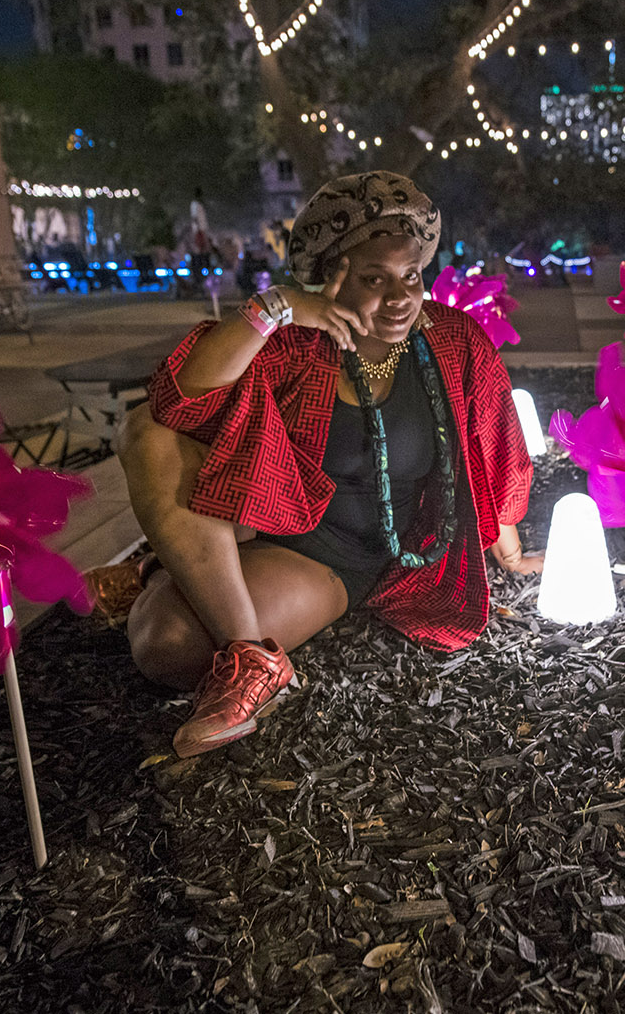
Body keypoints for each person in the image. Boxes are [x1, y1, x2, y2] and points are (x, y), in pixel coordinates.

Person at [94, 171, 542, 758]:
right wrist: (276, 308)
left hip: (354, 558)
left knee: (165, 642)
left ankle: (165, 572)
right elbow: (177, 399)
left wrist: (508, 550)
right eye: (374, 278)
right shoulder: (298, 341)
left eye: (411, 275)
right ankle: (251, 661)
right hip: (285, 531)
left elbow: (493, 443)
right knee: (144, 429)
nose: (402, 296)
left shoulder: (452, 341)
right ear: (330, 276)